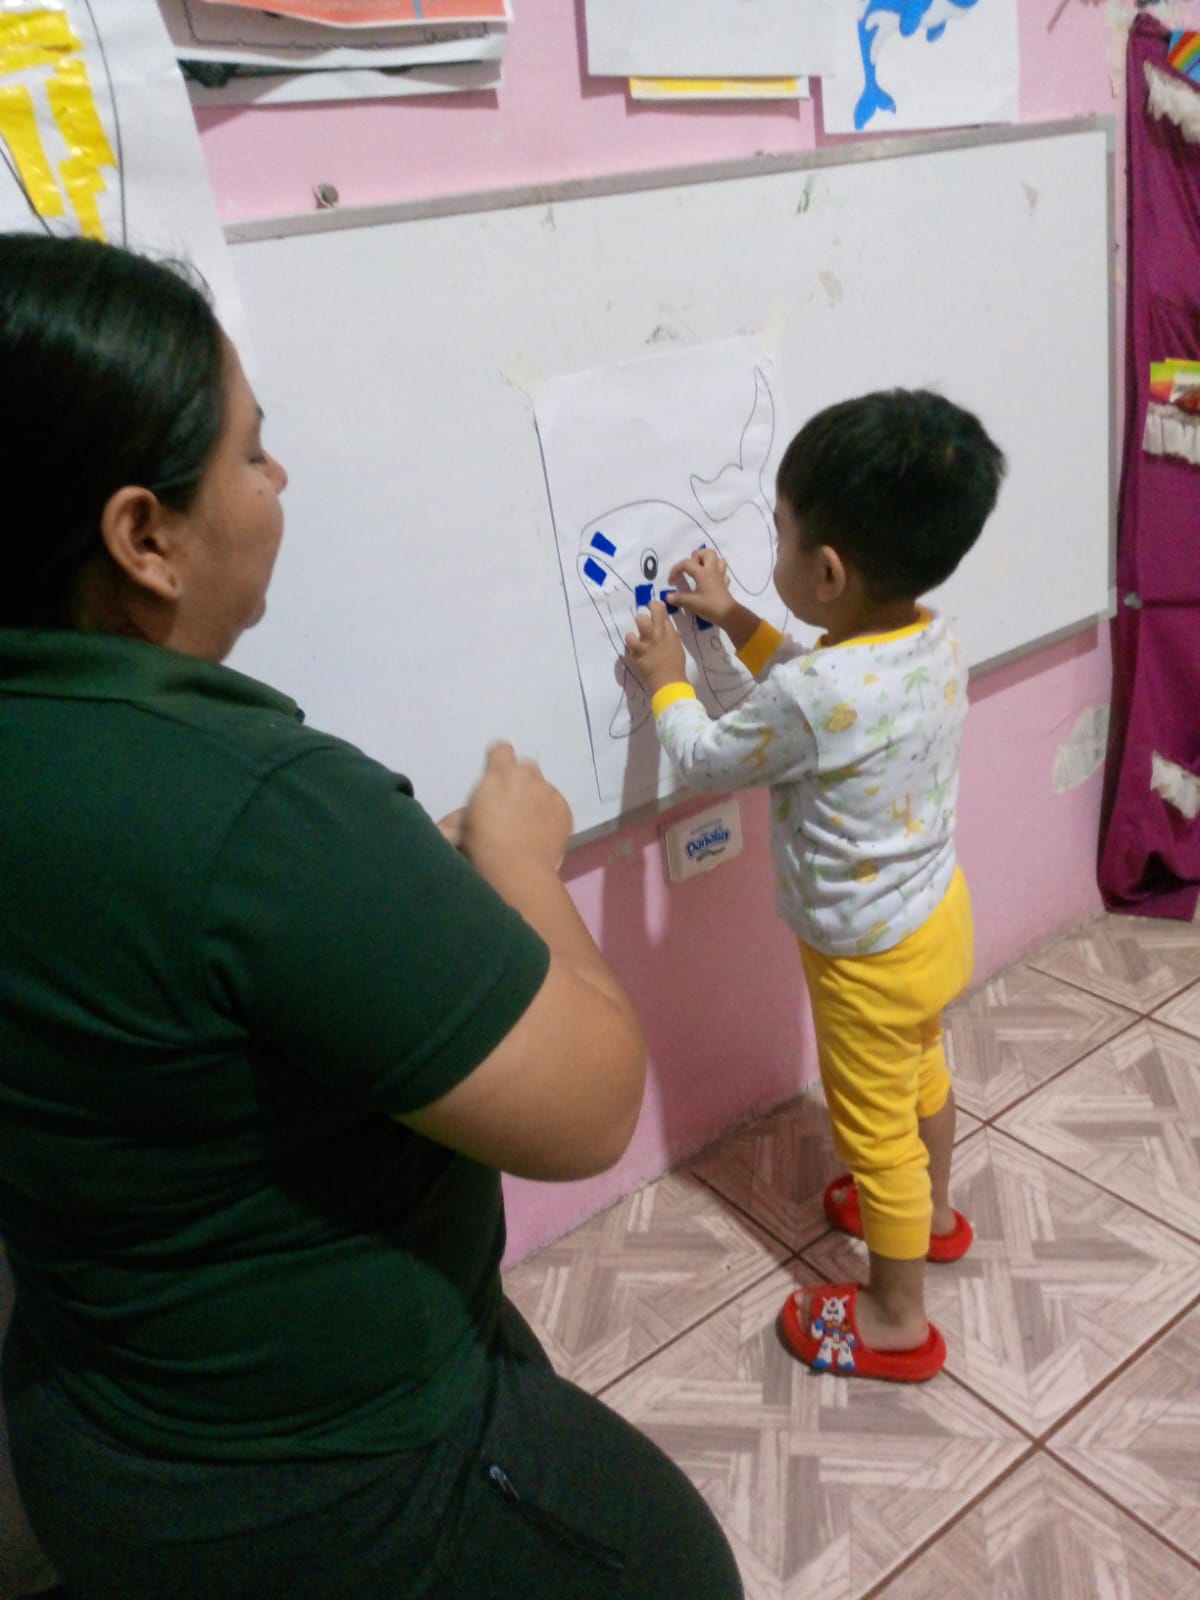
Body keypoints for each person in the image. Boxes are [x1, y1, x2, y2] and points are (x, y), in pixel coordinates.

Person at [0, 233, 744, 1600]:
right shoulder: (263, 813)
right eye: (251, 452)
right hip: (327, 1483)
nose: (279, 479)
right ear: (143, 537)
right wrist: (522, 861)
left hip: (91, 1427)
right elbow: (589, 1109)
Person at [625, 389, 1006, 1383]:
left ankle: (895, 1318)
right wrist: (733, 618)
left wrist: (667, 676)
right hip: (934, 921)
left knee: (876, 1137)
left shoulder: (814, 695)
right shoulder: (931, 641)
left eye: (782, 535)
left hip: (862, 959)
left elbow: (708, 755)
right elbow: (825, 687)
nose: (777, 551)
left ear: (827, 572)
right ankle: (936, 1215)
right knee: (923, 1077)